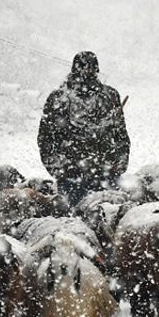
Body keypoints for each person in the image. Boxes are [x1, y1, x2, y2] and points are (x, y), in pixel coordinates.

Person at [37, 51, 130, 205]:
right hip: (71, 177)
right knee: (72, 223)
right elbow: (45, 138)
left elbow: (121, 135)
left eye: (92, 68)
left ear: (97, 69)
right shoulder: (59, 98)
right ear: (75, 69)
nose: (88, 71)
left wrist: (119, 164)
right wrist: (60, 168)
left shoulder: (110, 96)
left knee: (107, 219)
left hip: (106, 174)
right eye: (84, 67)